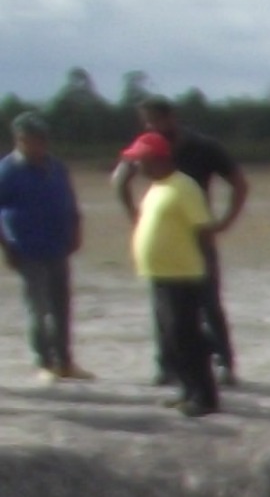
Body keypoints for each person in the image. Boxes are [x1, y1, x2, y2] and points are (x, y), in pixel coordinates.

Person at [115, 97, 247, 384]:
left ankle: (223, 362)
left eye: (155, 120)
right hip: (167, 240)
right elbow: (118, 181)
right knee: (165, 308)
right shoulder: (148, 148)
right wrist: (136, 217)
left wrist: (225, 222)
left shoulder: (203, 147)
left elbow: (239, 183)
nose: (150, 127)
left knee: (208, 302)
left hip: (198, 234)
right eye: (146, 122)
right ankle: (168, 365)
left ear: (171, 118)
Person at [120, 131, 220, 415]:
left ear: (157, 158)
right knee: (171, 337)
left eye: (140, 159)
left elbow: (203, 229)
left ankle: (204, 396)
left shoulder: (183, 186)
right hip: (161, 275)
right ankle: (187, 390)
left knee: (186, 336)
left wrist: (206, 271)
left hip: (183, 275)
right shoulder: (157, 187)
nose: (136, 165)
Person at [0, 113, 87, 383]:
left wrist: (75, 231)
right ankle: (44, 361)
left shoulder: (56, 167)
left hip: (58, 246)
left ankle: (65, 361)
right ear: (20, 139)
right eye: (34, 139)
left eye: (43, 139)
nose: (40, 144)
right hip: (27, 249)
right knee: (38, 308)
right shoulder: (8, 171)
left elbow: (70, 201)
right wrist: (7, 247)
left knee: (62, 306)